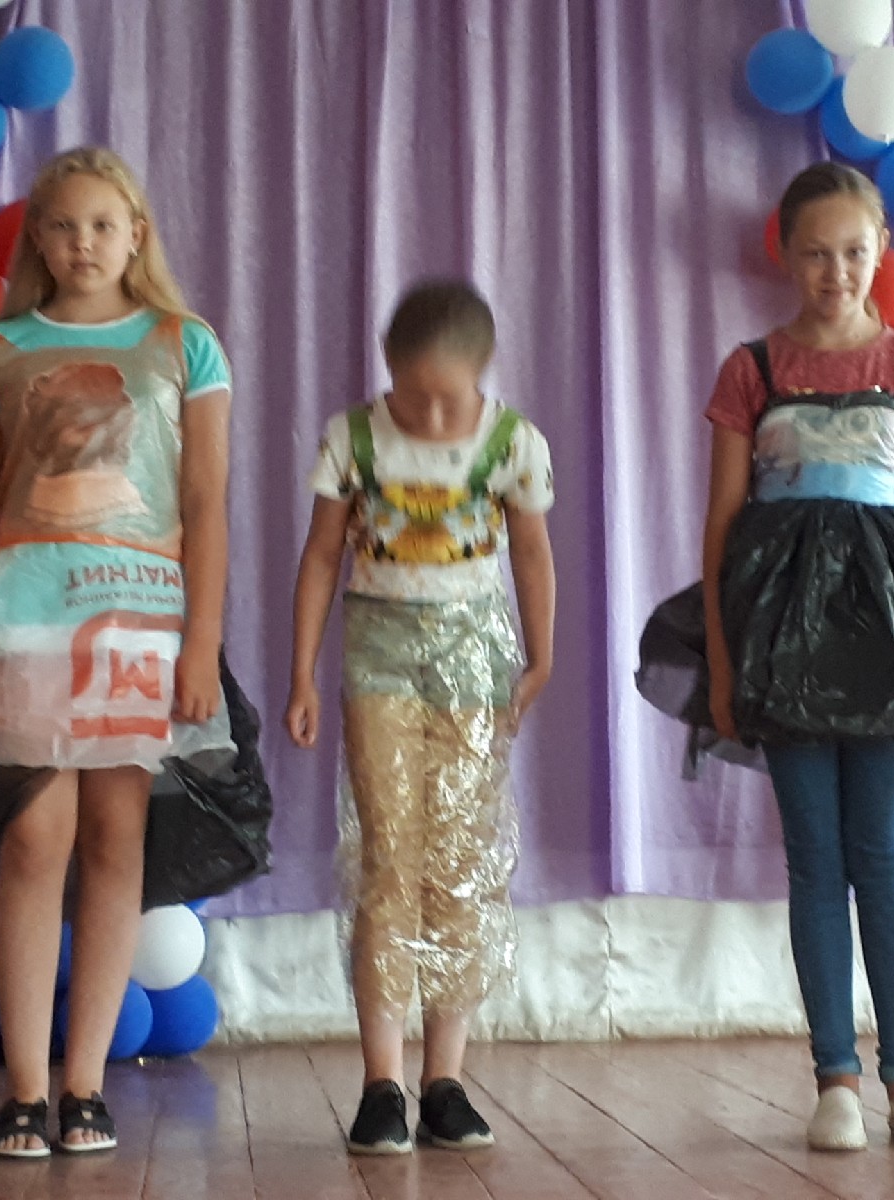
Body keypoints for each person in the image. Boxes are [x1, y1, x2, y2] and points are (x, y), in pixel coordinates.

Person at [638, 161, 894, 1152]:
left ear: (881, 249)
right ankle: (835, 1081)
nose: (836, 271)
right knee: (815, 858)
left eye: (854, 251)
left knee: (884, 855)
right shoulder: (752, 369)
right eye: (815, 253)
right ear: (786, 255)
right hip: (782, 637)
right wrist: (723, 658)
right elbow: (722, 526)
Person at [0, 146, 269, 1158]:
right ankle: (24, 1089)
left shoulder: (183, 344)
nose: (82, 243)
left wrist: (202, 642)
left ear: (136, 235)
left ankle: (85, 1086)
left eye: (101, 225)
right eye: (62, 226)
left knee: (118, 837)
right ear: (38, 240)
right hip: (27, 616)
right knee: (35, 839)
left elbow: (206, 499)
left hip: (144, 618)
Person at [284, 280, 555, 1155]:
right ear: (388, 369)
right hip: (381, 656)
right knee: (390, 861)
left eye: (450, 396)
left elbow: (532, 552)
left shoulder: (512, 444)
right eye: (414, 394)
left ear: (483, 373)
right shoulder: (354, 438)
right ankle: (381, 1083)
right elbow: (322, 555)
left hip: (474, 658)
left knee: (457, 866)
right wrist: (302, 674)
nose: (431, 414)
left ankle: (445, 1079)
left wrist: (540, 655)